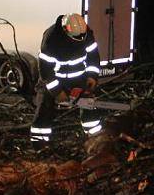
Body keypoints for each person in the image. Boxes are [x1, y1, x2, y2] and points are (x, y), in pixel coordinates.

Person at [29, 13, 103, 144]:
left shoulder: (86, 33)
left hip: (79, 77)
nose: (80, 39)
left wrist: (92, 76)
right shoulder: (51, 39)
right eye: (76, 38)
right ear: (66, 31)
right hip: (53, 79)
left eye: (82, 36)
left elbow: (93, 57)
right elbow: (46, 71)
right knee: (44, 107)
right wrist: (57, 91)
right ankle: (39, 143)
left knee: (88, 105)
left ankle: (96, 138)